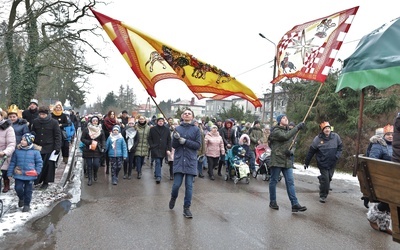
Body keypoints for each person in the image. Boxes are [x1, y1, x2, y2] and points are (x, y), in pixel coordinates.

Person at [268, 114, 307, 212]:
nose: (286, 119)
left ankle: (295, 204)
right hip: (277, 159)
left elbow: (293, 144)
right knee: (274, 181)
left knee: (290, 182)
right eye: (283, 118)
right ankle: (272, 201)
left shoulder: (289, 131)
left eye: (286, 118)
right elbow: (285, 137)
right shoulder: (276, 131)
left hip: (287, 160)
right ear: (279, 121)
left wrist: (291, 152)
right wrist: (297, 127)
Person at [169, 108, 201, 218]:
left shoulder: (196, 130)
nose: (187, 115)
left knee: (189, 186)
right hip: (179, 160)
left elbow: (197, 145)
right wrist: (175, 138)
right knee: (176, 185)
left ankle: (186, 208)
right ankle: (173, 197)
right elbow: (174, 145)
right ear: (182, 116)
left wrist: (186, 142)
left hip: (190, 161)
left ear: (192, 117)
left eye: (189, 114)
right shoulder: (177, 128)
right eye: (185, 113)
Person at [304, 121, 343, 203]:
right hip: (322, 163)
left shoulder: (336, 137)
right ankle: (323, 196)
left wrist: (337, 156)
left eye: (328, 128)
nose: (327, 130)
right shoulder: (317, 139)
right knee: (326, 181)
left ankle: (321, 179)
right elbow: (311, 151)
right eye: (325, 129)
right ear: (322, 130)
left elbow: (340, 147)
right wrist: (306, 162)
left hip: (332, 162)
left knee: (329, 178)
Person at [365, 124, 393, 235]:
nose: (391, 136)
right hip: (383, 178)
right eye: (388, 134)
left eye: (392, 134)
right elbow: (372, 162)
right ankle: (372, 217)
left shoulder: (396, 146)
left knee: (391, 202)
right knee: (388, 202)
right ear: (384, 135)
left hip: (394, 177)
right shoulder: (379, 145)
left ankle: (383, 225)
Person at [7, 133, 43, 212]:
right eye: (22, 140)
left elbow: (39, 163)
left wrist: (37, 171)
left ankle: (27, 205)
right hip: (19, 174)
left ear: (29, 142)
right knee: (18, 188)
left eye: (24, 140)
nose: (22, 141)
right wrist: (9, 173)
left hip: (30, 174)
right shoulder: (17, 151)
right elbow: (13, 162)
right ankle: (21, 198)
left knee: (28, 191)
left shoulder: (35, 152)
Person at [31, 106, 62, 189]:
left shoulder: (54, 122)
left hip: (49, 147)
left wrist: (57, 148)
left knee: (48, 165)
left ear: (47, 114)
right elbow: (33, 133)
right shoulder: (35, 122)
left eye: (44, 114)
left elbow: (57, 136)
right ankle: (37, 180)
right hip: (38, 146)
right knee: (38, 164)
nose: (42, 116)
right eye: (40, 114)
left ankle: (46, 181)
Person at [81, 116, 106, 186]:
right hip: (88, 149)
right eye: (93, 121)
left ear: (98, 122)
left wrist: (103, 146)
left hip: (97, 149)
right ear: (91, 121)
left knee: (96, 164)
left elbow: (103, 139)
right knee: (89, 165)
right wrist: (89, 142)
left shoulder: (100, 130)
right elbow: (82, 139)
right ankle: (89, 179)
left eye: (96, 121)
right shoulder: (87, 129)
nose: (95, 122)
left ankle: (95, 173)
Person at [148, 116, 171, 184]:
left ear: (163, 122)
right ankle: (158, 176)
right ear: (157, 122)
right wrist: (152, 145)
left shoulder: (167, 130)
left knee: (160, 162)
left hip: (163, 148)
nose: (160, 122)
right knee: (157, 161)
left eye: (162, 121)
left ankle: (156, 172)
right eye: (159, 121)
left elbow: (169, 140)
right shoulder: (153, 129)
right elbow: (150, 138)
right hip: (155, 148)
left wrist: (168, 148)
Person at [0, 110, 16, 193]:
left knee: (4, 173)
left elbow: (11, 144)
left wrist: (5, 152)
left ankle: (6, 184)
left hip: (3, 156)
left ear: (2, 116)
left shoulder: (8, 129)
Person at [134, 115, 150, 179]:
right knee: (138, 159)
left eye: (142, 119)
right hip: (137, 145)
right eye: (140, 119)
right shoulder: (136, 127)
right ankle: (139, 172)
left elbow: (149, 137)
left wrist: (149, 145)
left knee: (142, 160)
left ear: (145, 120)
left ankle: (139, 169)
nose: (141, 120)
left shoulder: (148, 128)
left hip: (145, 145)